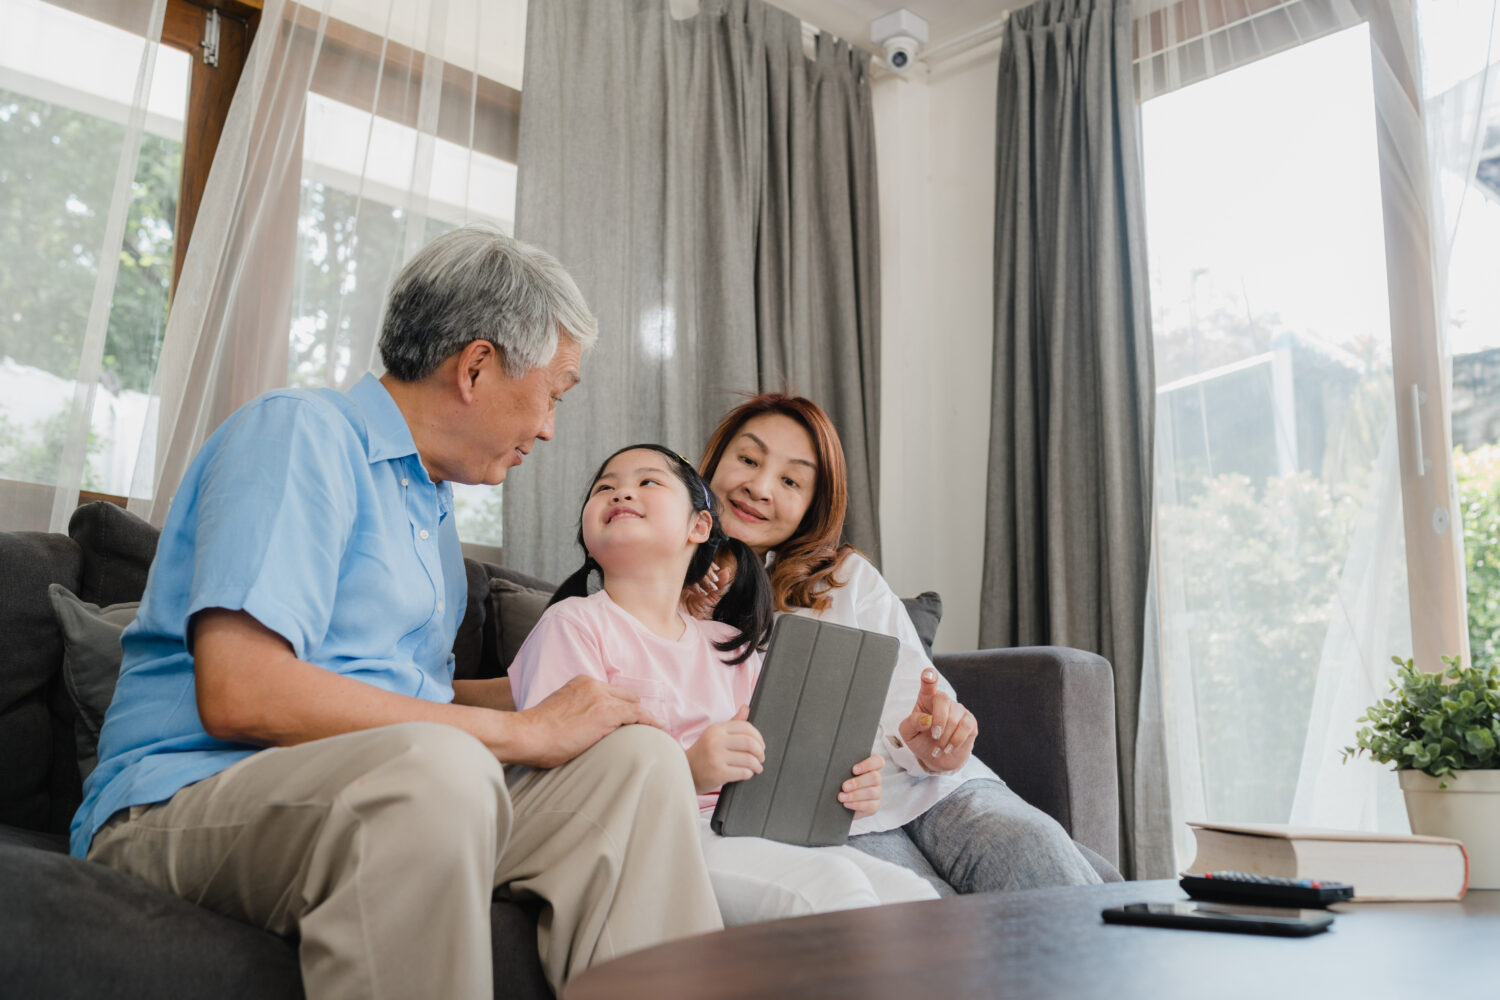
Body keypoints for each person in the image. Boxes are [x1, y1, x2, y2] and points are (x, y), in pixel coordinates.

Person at [69, 226, 725, 999]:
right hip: (188, 796)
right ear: (477, 367)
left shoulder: (429, 502)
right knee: (436, 769)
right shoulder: (299, 434)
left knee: (638, 767)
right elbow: (240, 688)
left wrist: (560, 697)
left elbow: (410, 697)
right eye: (553, 392)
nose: (548, 428)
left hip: (377, 785)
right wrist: (519, 733)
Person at [507, 444, 939, 925]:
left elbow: (775, 768)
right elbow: (566, 784)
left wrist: (846, 792)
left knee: (914, 898)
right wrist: (688, 770)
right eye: (605, 487)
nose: (621, 491)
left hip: (753, 829)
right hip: (659, 838)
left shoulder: (730, 646)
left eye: (647, 481)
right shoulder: (574, 625)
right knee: (831, 889)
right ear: (588, 537)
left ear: (700, 527)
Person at [696, 394, 1103, 895]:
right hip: (832, 812)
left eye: (790, 481)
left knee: (1034, 845)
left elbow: (921, 699)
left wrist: (936, 740)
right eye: (749, 460)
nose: (759, 487)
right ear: (713, 462)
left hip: (935, 787)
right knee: (920, 909)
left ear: (812, 506)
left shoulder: (844, 580)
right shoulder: (668, 587)